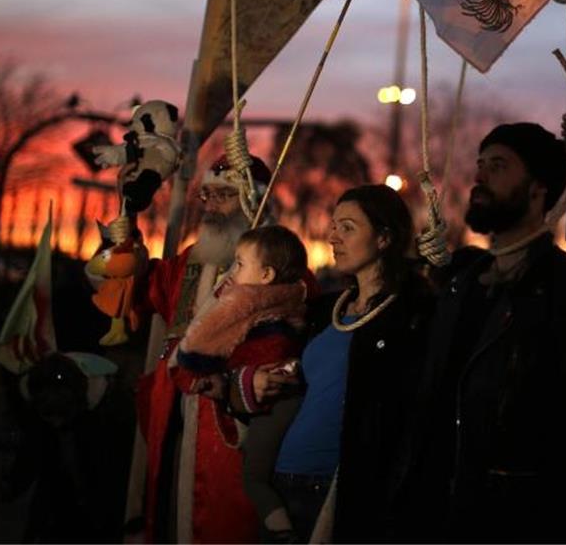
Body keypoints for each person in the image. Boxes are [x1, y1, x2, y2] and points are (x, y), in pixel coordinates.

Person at [391, 122, 566, 543]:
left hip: (511, 516)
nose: (480, 176)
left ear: (538, 187)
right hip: (435, 508)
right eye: (480, 164)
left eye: (498, 165)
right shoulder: (461, 282)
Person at [89, 153, 271, 543]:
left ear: (252, 201)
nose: (210, 205)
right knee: (168, 516)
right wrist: (122, 245)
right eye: (207, 194)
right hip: (171, 414)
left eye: (222, 195)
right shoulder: (192, 259)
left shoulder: (278, 265)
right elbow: (136, 290)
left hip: (226, 425)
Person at [253, 184, 435, 543]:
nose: (333, 236)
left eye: (348, 227)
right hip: (283, 480)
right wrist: (254, 380)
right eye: (334, 225)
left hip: (340, 488)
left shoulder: (412, 316)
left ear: (384, 238)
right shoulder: (325, 309)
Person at [173, 225, 314, 543]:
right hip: (261, 400)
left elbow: (194, 353)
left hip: (269, 403)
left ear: (266, 274)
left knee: (254, 477)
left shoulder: (244, 302)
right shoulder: (288, 297)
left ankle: (283, 532)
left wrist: (215, 313)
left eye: (239, 263)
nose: (232, 271)